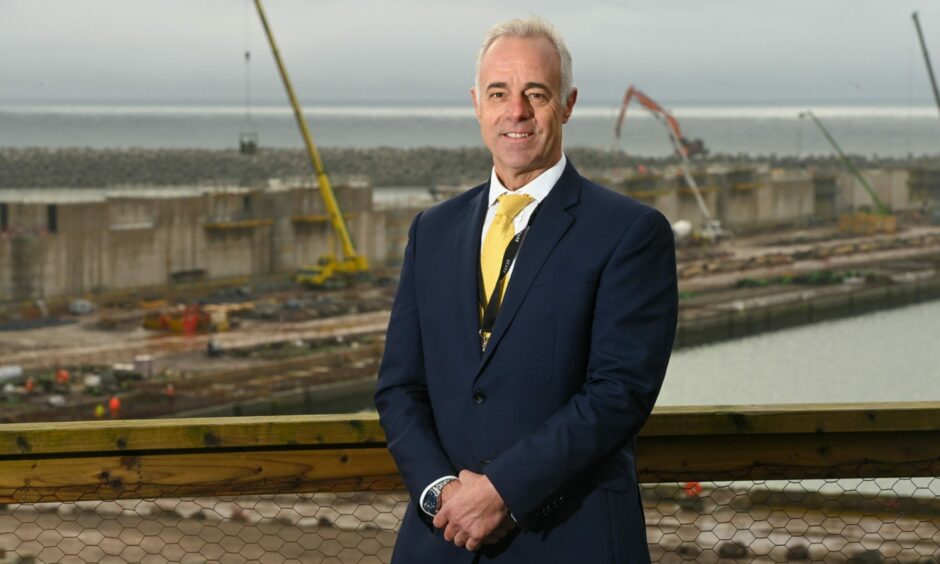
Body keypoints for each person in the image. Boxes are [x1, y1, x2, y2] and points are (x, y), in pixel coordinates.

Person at [374, 16, 678, 563]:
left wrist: (502, 494)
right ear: (476, 103)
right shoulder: (432, 230)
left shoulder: (630, 232)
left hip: (570, 540)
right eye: (499, 93)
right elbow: (399, 388)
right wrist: (441, 494)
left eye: (535, 93)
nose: (516, 111)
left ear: (567, 104)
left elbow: (618, 393)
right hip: (441, 538)